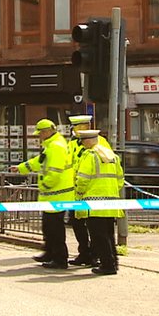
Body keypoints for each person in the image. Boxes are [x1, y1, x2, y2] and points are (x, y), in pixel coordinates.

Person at [11, 118, 74, 269]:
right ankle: (50, 252)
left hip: (57, 193)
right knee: (48, 226)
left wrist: (45, 185)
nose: (38, 136)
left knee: (55, 227)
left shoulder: (56, 147)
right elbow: (38, 162)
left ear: (47, 132)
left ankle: (60, 258)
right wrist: (21, 168)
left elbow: (55, 172)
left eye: (40, 133)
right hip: (52, 194)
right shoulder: (51, 145)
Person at [73, 129, 125, 275]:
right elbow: (120, 179)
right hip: (111, 202)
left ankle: (107, 265)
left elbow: (82, 178)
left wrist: (79, 192)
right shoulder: (112, 156)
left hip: (93, 203)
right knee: (108, 235)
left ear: (88, 141)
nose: (82, 144)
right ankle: (113, 262)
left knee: (98, 236)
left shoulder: (90, 156)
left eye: (82, 141)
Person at [65, 114, 112, 266]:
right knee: (77, 223)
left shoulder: (99, 142)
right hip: (76, 190)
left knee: (96, 227)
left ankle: (95, 254)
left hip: (93, 191)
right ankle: (85, 252)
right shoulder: (72, 144)